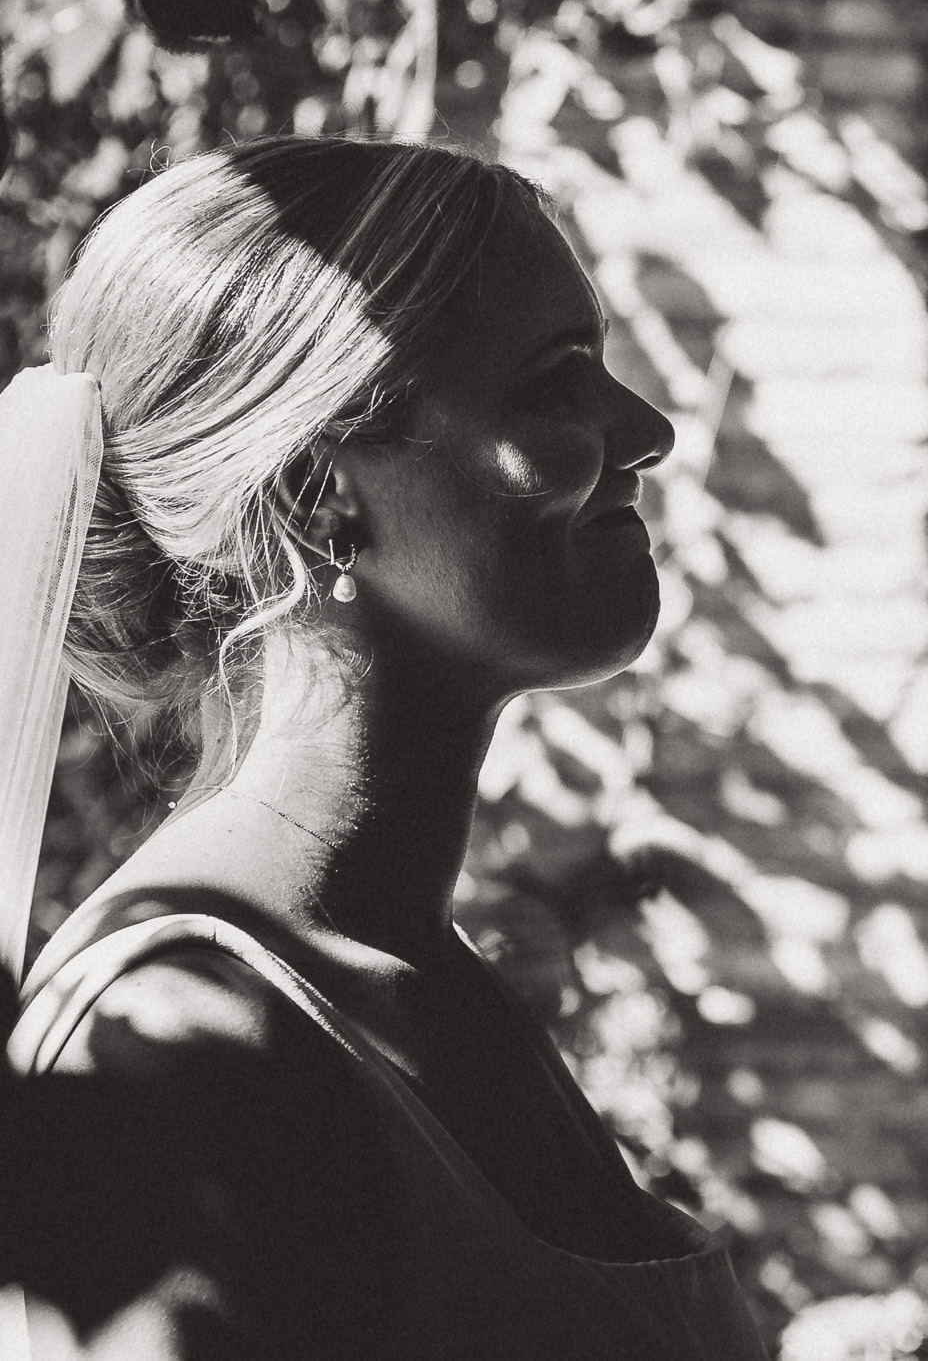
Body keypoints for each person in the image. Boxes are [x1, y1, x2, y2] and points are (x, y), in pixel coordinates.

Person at [0, 138, 768, 1359]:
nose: (647, 429)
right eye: (556, 382)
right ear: (313, 490)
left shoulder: (417, 972)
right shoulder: (190, 1038)